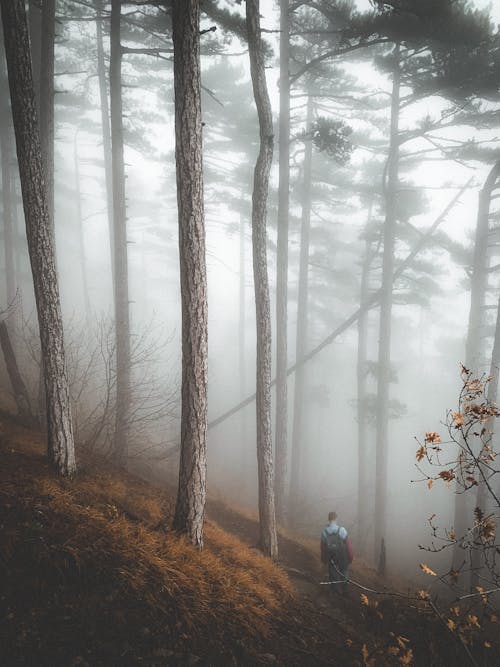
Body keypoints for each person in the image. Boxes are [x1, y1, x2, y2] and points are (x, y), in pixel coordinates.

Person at [320, 511, 353, 596]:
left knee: (333, 573)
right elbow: (348, 545)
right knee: (344, 572)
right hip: (343, 556)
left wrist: (324, 559)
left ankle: (335, 592)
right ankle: (345, 591)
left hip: (331, 556)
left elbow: (323, 548)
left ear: (328, 519)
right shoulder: (342, 530)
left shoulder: (324, 532)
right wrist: (350, 557)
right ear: (336, 519)